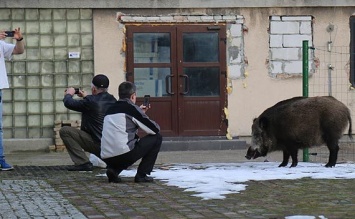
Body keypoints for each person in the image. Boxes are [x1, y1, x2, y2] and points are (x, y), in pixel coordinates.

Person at [101, 81, 162, 183]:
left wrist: (139, 112)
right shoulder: (131, 109)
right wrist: (142, 115)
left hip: (106, 156)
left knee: (124, 145)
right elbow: (154, 129)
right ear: (133, 96)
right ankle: (142, 175)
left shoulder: (110, 109)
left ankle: (114, 170)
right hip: (123, 155)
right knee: (157, 138)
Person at [60, 74, 117, 171]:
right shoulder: (113, 100)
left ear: (94, 89)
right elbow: (95, 104)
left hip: (98, 144)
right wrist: (86, 97)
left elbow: (69, 103)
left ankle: (83, 163)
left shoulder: (90, 101)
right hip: (112, 147)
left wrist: (69, 94)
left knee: (65, 131)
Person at [0, 28, 25, 171]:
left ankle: (1, 159)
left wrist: (19, 39)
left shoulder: (1, 44)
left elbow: (19, 51)